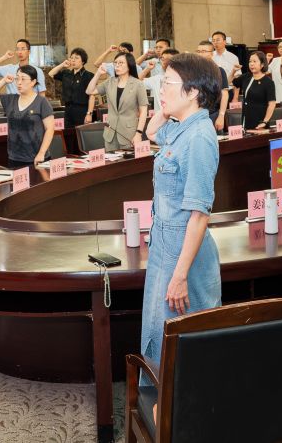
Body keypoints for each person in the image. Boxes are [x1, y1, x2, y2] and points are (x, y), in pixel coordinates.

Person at [138, 53, 224, 370]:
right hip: (165, 244)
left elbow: (199, 214)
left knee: (183, 341)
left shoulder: (199, 138)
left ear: (193, 92)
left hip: (183, 253)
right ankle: (161, 397)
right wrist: (165, 107)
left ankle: (180, 400)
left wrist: (180, 275)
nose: (161, 89)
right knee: (158, 329)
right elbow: (151, 133)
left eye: (168, 83)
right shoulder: (182, 127)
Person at [0, 63, 57, 168]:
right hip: (15, 157)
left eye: (23, 79)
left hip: (37, 157)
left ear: (33, 82)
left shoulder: (42, 102)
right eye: (17, 79)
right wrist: (3, 81)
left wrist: (41, 153)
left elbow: (50, 129)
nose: (19, 83)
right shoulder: (11, 99)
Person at [88, 50, 149, 152]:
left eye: (121, 63)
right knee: (110, 161)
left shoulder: (138, 84)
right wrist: (98, 74)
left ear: (129, 65)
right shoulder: (110, 81)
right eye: (115, 63)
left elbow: (143, 111)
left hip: (129, 133)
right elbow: (89, 91)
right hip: (110, 133)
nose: (117, 65)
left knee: (128, 161)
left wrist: (138, 133)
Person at [194, 40, 233, 132]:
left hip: (213, 114)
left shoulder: (219, 71)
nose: (200, 54)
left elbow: (224, 94)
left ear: (212, 54)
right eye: (198, 51)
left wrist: (221, 115)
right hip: (195, 114)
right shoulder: (192, 71)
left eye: (203, 51)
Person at [51, 48, 95, 130]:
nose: (73, 60)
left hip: (82, 110)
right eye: (71, 58)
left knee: (80, 135)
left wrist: (89, 114)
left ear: (83, 61)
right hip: (68, 110)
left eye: (76, 58)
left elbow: (92, 96)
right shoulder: (66, 73)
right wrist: (62, 65)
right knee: (68, 135)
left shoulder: (89, 76)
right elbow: (51, 73)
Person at [239, 50, 278, 130]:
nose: (251, 64)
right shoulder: (247, 77)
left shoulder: (268, 82)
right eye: (250, 61)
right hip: (246, 119)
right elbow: (229, 82)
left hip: (261, 121)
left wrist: (265, 121)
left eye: (254, 61)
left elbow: (272, 103)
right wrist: (233, 71)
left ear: (262, 64)